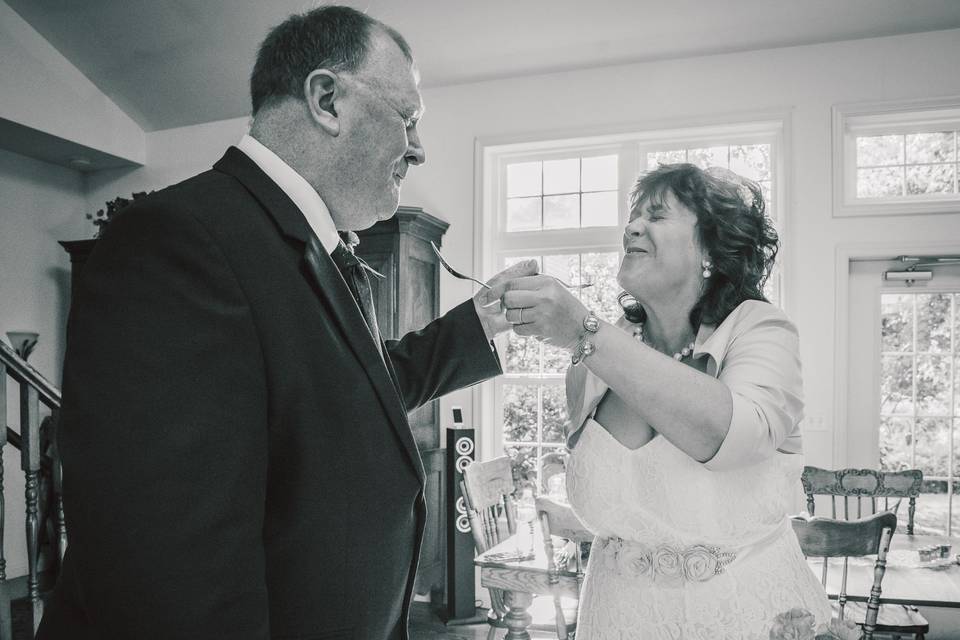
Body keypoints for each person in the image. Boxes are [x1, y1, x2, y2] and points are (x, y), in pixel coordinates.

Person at [38, 7, 535, 640]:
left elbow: (347, 396)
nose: (419, 148)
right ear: (327, 99)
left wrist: (480, 324)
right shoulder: (177, 241)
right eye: (407, 119)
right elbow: (170, 572)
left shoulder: (307, 243)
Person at [500, 163, 832, 639]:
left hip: (747, 617)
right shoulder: (592, 360)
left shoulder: (761, 330)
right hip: (617, 618)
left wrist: (581, 329)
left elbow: (733, 436)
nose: (632, 226)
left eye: (656, 216)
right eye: (634, 216)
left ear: (711, 250)